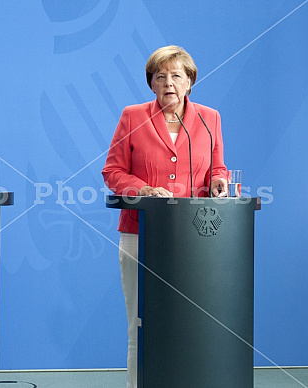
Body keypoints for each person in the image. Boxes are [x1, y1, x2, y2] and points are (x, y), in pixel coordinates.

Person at [101, 45, 228, 388]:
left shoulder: (209, 117)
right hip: (140, 235)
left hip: (193, 237)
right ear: (151, 84)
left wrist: (219, 181)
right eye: (161, 76)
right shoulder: (132, 116)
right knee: (141, 322)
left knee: (190, 322)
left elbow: (217, 167)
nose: (168, 83)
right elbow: (112, 170)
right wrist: (142, 189)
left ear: (190, 82)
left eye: (176, 76)